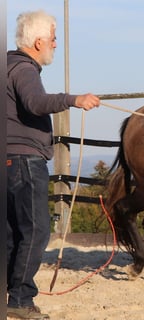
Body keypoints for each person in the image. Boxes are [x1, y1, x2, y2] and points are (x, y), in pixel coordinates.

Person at [6, 10, 100, 319]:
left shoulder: (7, 66)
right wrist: (74, 100)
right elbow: (36, 103)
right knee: (35, 230)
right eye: (53, 38)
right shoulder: (24, 70)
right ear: (37, 41)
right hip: (24, 160)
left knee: (11, 233)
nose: (56, 44)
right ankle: (20, 301)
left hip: (10, 161)